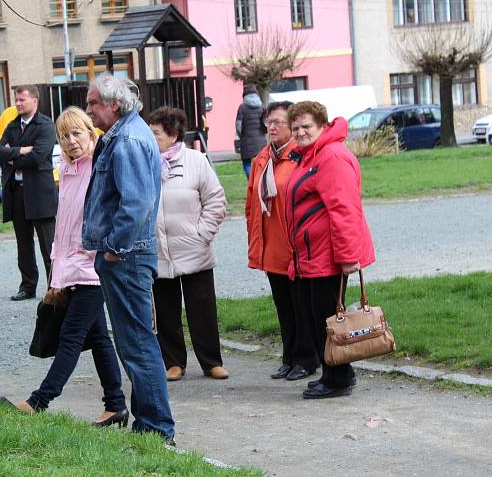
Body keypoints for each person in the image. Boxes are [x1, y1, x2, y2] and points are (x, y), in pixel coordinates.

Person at [3, 107, 128, 426]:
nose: (71, 141)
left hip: (91, 269)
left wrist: (89, 258)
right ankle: (115, 405)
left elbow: (102, 220)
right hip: (70, 269)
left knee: (71, 337)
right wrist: (56, 273)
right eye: (65, 136)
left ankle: (38, 402)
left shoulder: (98, 168)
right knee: (99, 338)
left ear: (91, 133)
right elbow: (63, 227)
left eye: (77, 133)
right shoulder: (68, 170)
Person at [83, 73, 175, 443]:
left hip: (127, 256)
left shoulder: (129, 141)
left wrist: (114, 248)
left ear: (114, 105)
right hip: (124, 255)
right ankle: (148, 425)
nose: (88, 110)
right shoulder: (123, 136)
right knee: (132, 342)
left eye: (93, 103)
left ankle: (156, 429)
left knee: (137, 342)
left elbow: (135, 204)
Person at [284, 101, 375, 399]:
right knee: (318, 318)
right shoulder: (309, 157)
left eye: (306, 126)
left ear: (322, 125)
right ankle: (332, 373)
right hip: (311, 254)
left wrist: (349, 257)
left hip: (328, 255)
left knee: (328, 320)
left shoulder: (331, 156)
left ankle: (339, 378)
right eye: (295, 127)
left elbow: (344, 209)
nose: (300, 132)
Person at [146, 107, 229, 382]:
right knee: (166, 310)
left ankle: (211, 361)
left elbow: (216, 200)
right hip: (158, 251)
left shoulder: (196, 160)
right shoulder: (144, 162)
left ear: (173, 134)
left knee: (202, 308)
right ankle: (173, 362)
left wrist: (202, 234)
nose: (150, 136)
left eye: (156, 132)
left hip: (194, 249)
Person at [246, 101, 317, 382]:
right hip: (271, 246)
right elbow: (252, 203)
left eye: (278, 122)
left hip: (295, 247)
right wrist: (255, 241)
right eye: (268, 122)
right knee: (283, 306)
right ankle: (289, 357)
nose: (272, 127)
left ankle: (306, 358)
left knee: (302, 306)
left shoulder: (299, 157)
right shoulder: (262, 159)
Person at [0, 85, 58, 301]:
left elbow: (38, 157)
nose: (18, 103)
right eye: (16, 99)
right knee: (23, 245)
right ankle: (28, 286)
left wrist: (12, 156)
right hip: (17, 194)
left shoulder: (46, 125)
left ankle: (55, 288)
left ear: (35, 101)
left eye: (22, 99)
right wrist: (20, 151)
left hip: (40, 194)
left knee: (48, 246)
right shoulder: (13, 125)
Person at [235, 84, 264, 178]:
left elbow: (238, 125)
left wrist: (240, 135)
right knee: (261, 162)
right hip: (261, 140)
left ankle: (252, 180)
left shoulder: (242, 107)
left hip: (246, 140)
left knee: (247, 163)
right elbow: (265, 123)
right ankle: (260, 179)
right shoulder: (261, 106)